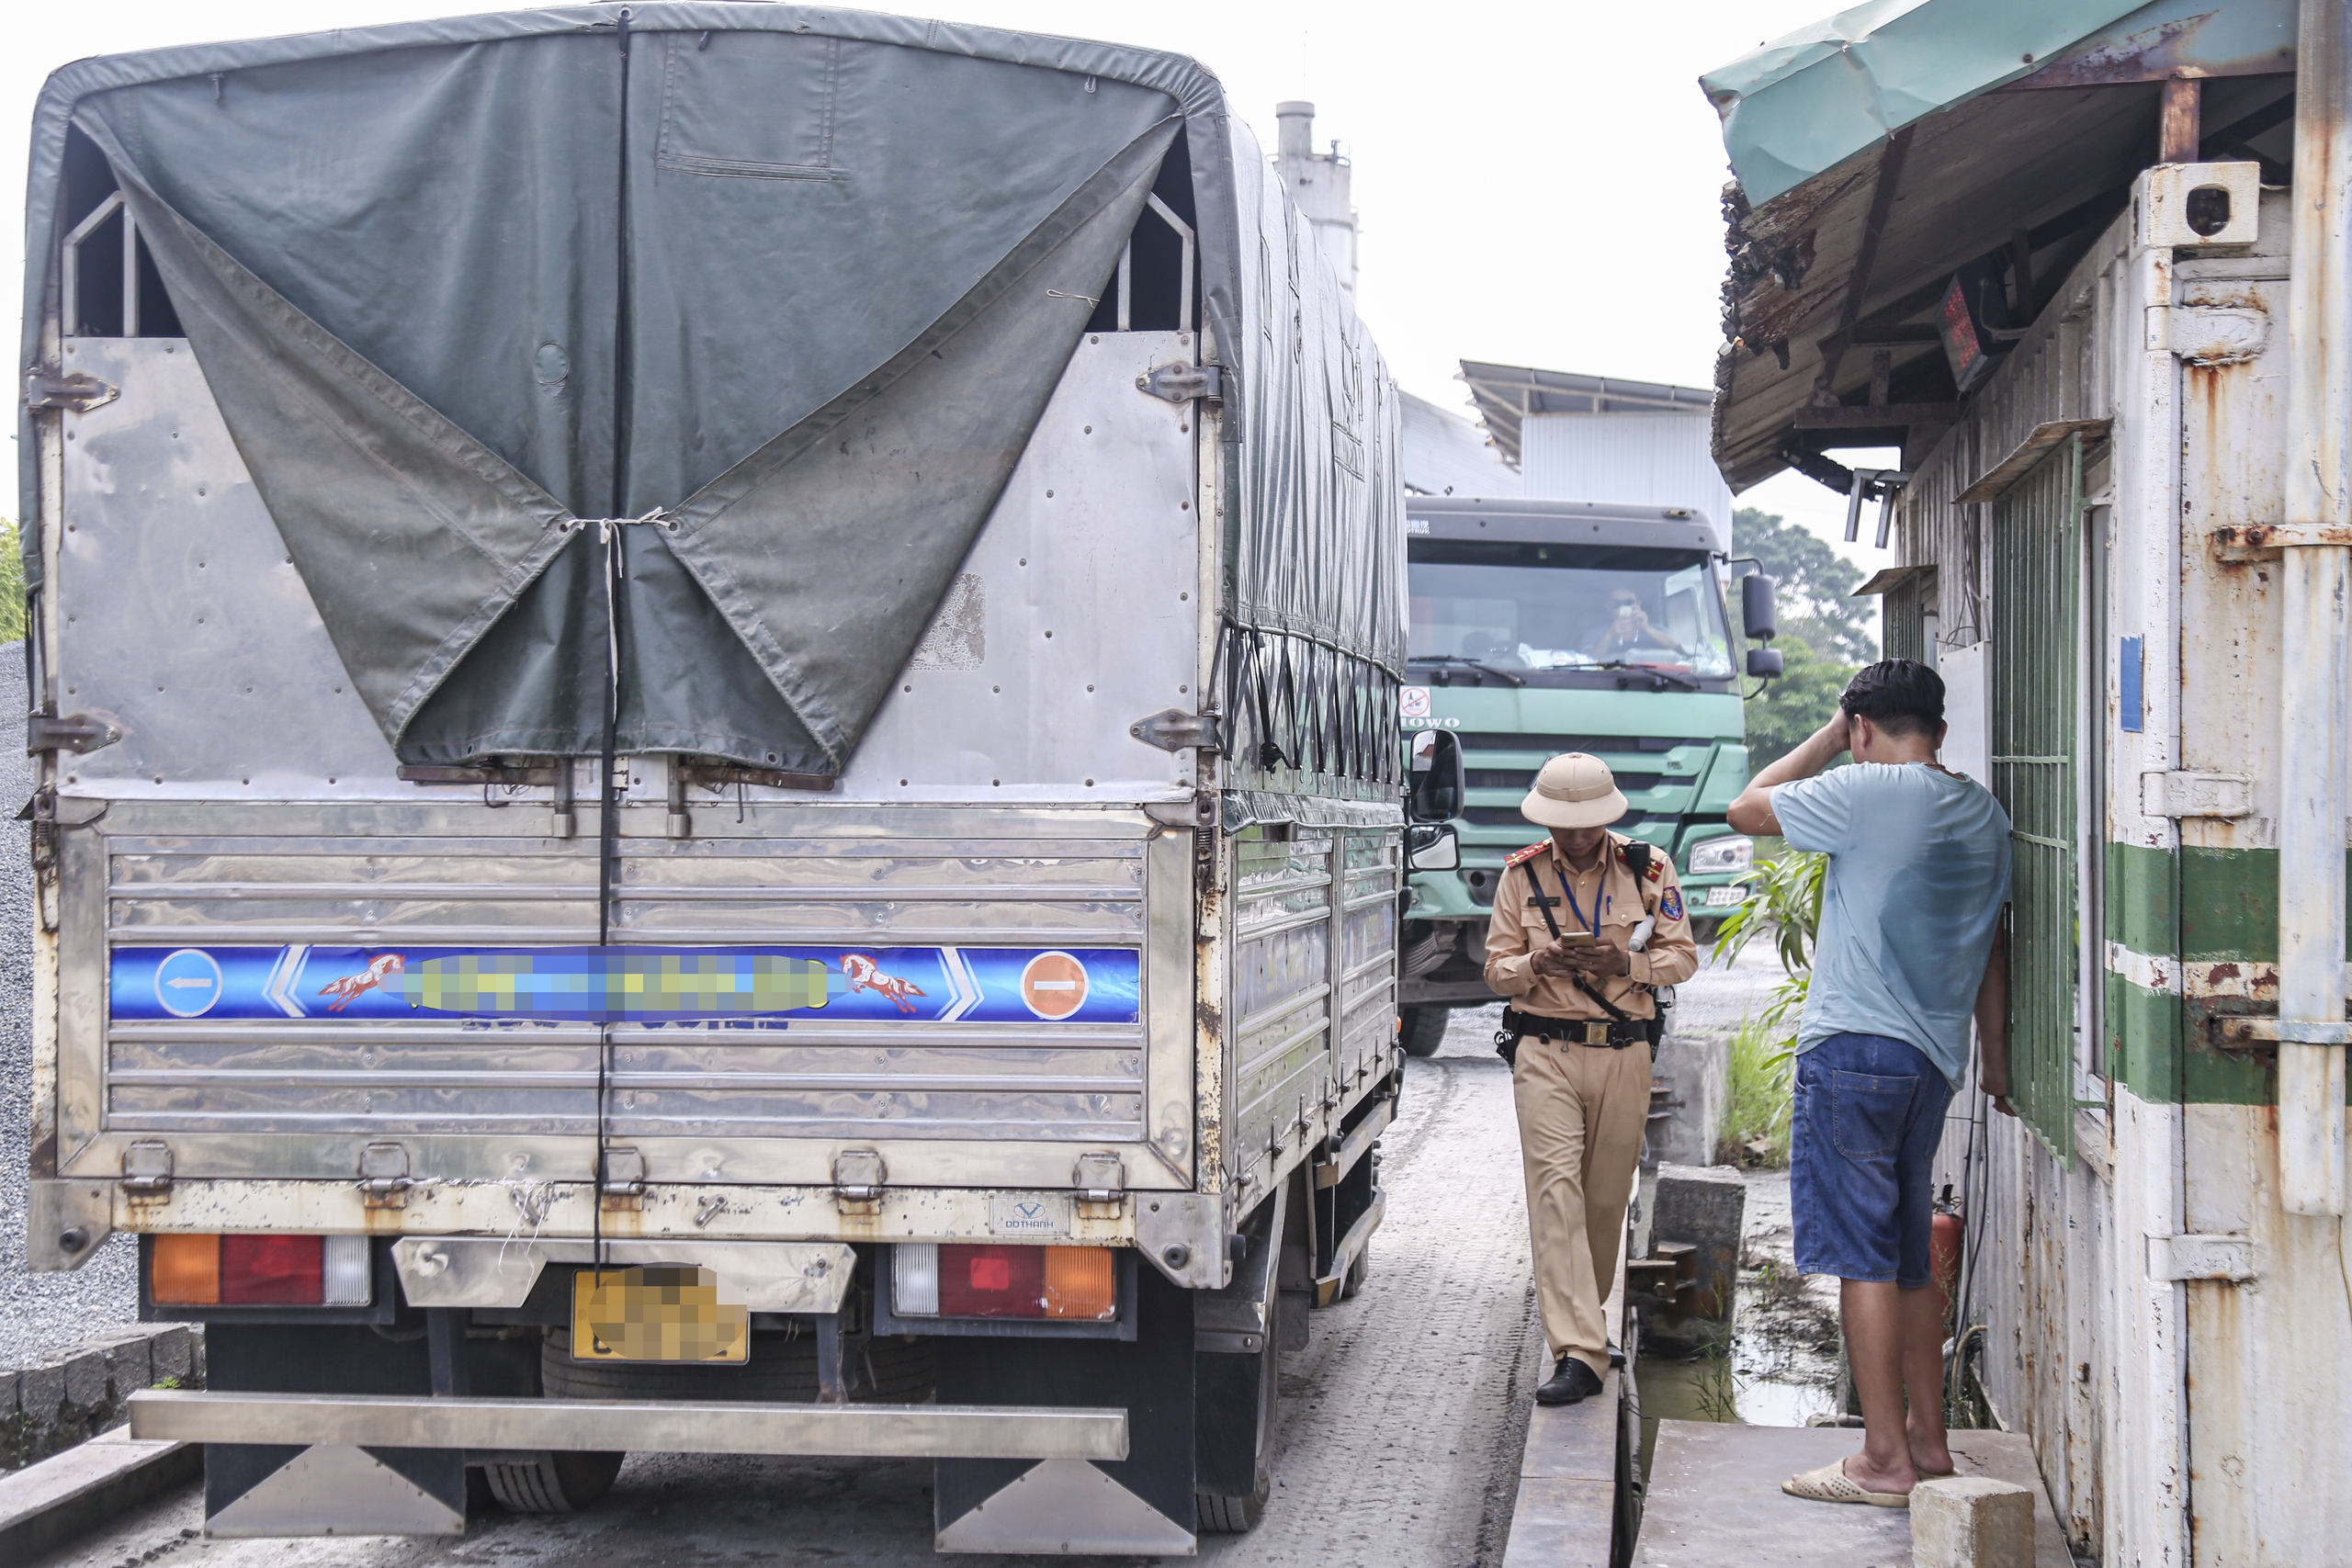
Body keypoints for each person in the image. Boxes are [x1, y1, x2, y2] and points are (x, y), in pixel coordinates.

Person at [1724, 660, 2013, 1507]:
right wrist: (1993, 1056)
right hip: (1932, 1060)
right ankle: (1928, 1442)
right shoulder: (1982, 813)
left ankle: (1880, 1460)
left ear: (1861, 729)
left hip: (1851, 1051)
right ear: (1942, 730)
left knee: (1860, 1259)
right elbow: (1995, 947)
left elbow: (1746, 807)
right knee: (1906, 1259)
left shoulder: (1869, 789)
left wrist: (1828, 733)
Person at [1486, 753, 1699, 1405]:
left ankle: (1589, 1325)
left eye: (1587, 826)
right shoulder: (1520, 875)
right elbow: (1495, 971)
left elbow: (1683, 958)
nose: (1575, 838)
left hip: (1625, 1051)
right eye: (1563, 826)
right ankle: (1579, 1349)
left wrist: (1626, 962)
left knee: (1604, 1201)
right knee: (1555, 1193)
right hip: (1544, 1049)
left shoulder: (1650, 868)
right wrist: (1537, 961)